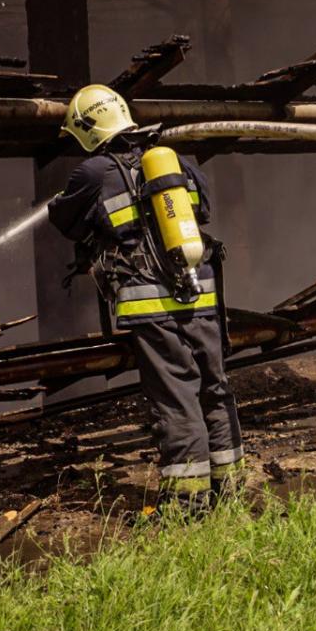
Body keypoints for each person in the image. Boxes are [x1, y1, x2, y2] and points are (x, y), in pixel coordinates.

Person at [50, 85, 244, 511]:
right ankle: (229, 491)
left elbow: (64, 219)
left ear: (86, 128)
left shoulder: (93, 172)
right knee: (214, 389)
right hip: (201, 294)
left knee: (177, 397)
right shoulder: (178, 163)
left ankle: (187, 506)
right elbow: (205, 211)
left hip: (150, 303)